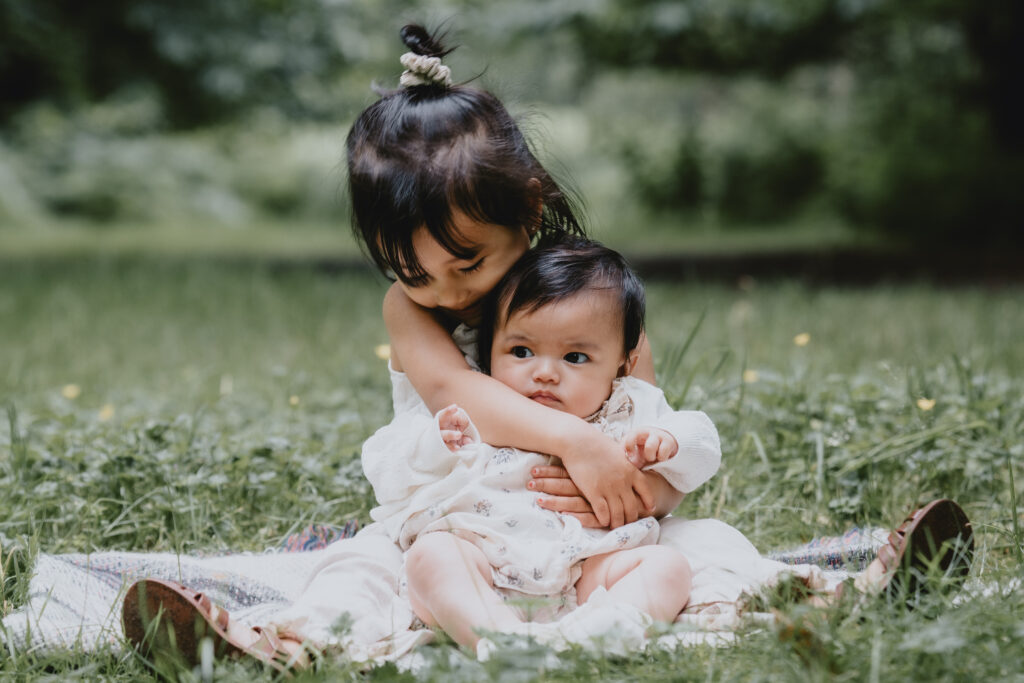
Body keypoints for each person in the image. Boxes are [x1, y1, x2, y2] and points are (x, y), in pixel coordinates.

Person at [113, 22, 974, 671]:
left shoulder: (591, 299)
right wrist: (575, 441)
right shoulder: (411, 312)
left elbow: (644, 405)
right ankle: (275, 643)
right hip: (461, 519)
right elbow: (457, 393)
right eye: (410, 268)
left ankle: (836, 599)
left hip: (592, 537)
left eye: (465, 259)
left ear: (525, 215)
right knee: (371, 566)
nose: (448, 289)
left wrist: (638, 478)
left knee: (699, 553)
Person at [362, 238, 720, 652]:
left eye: (575, 358)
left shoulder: (627, 406)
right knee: (433, 558)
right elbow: (385, 466)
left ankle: (593, 640)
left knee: (667, 568)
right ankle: (502, 642)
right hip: (484, 563)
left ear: (623, 363)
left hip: (589, 569)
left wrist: (671, 442)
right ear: (487, 349)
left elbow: (703, 444)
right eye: (521, 351)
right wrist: (434, 445)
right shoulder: (478, 411)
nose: (545, 372)